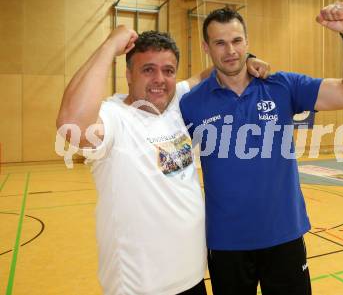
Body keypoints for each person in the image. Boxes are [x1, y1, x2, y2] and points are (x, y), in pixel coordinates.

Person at [56, 27, 269, 295]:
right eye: (148, 70)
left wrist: (246, 59)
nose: (160, 79)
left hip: (193, 280)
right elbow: (71, 124)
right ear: (128, 74)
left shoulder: (176, 103)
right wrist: (109, 46)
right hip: (143, 288)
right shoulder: (114, 117)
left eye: (168, 71)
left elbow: (212, 73)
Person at [179, 3, 343, 295]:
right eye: (220, 42)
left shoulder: (283, 86)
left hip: (284, 236)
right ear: (206, 47)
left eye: (236, 41)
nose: (230, 50)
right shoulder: (192, 103)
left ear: (248, 42)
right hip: (226, 243)